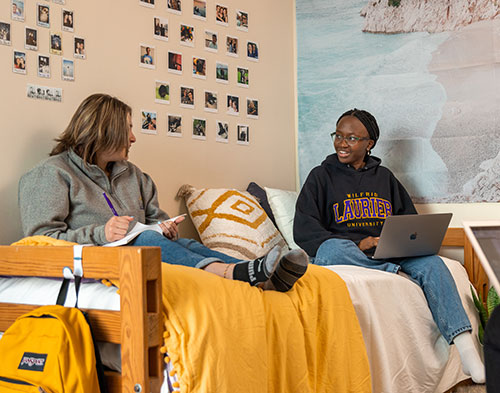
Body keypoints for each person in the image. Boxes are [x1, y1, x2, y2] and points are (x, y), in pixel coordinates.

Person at [19, 94, 307, 292]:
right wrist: (100, 234)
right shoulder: (53, 174)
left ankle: (263, 276)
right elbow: (40, 242)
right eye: (127, 129)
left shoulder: (135, 176)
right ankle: (237, 273)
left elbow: (156, 221)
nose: (133, 138)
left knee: (188, 246)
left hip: (144, 251)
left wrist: (166, 229)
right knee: (145, 239)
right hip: (97, 260)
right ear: (103, 131)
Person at [293, 108, 486, 383]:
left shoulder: (385, 178)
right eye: (338, 135)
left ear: (369, 143)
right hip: (350, 252)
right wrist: (361, 243)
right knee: (329, 251)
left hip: (391, 251)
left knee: (434, 263)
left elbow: (410, 222)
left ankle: (466, 350)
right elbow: (304, 229)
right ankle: (392, 270)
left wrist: (403, 243)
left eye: (351, 138)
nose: (341, 143)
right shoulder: (320, 177)